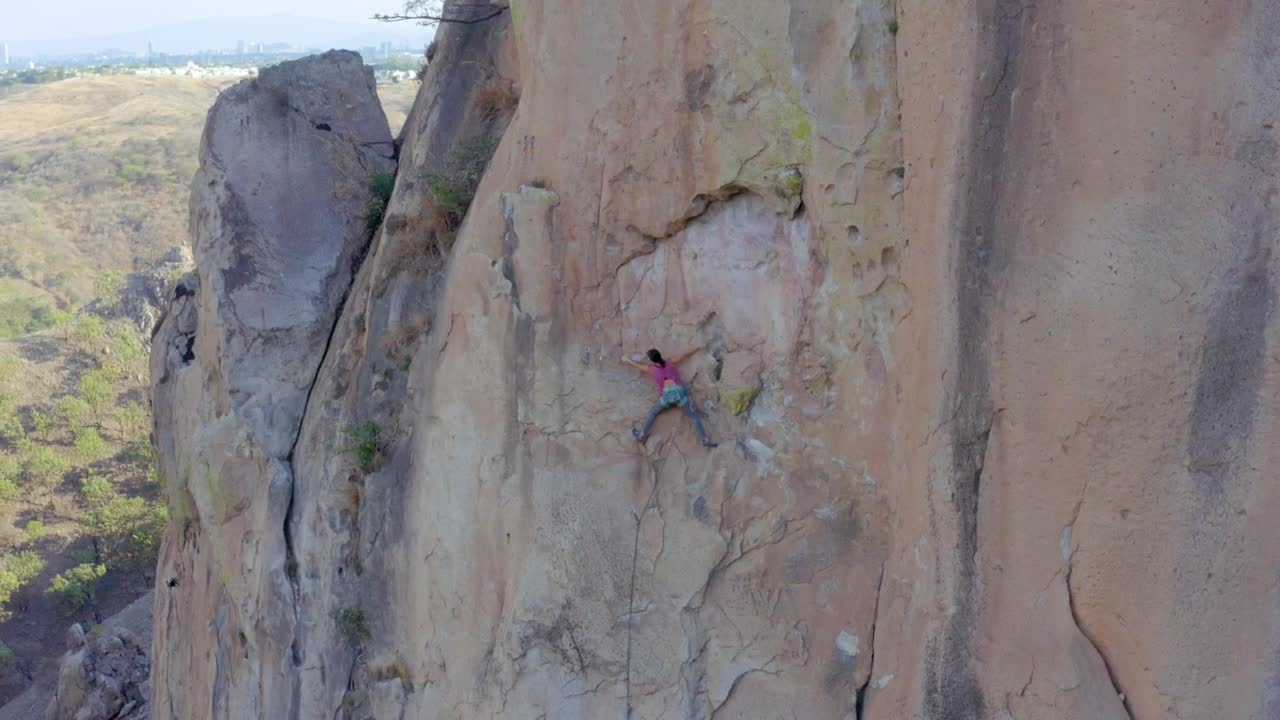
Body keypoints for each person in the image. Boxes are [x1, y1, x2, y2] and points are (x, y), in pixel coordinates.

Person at [622, 348, 717, 447]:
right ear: (660, 355)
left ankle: (641, 435)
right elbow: (685, 354)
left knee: (653, 413)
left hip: (666, 398)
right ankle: (705, 440)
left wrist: (627, 360)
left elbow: (638, 366)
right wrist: (697, 348)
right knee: (694, 418)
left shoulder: (651, 369)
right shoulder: (670, 362)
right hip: (680, 396)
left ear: (652, 361)